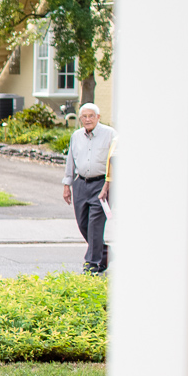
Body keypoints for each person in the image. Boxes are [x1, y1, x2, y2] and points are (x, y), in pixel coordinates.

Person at [62, 103, 115, 274]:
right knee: (83, 224)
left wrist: (109, 184)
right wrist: (67, 185)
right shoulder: (76, 136)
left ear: (98, 117)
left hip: (102, 184)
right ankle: (105, 253)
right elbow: (71, 160)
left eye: (91, 116)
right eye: (84, 116)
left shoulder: (110, 134)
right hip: (81, 183)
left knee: (95, 224)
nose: (87, 119)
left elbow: (114, 161)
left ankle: (91, 264)